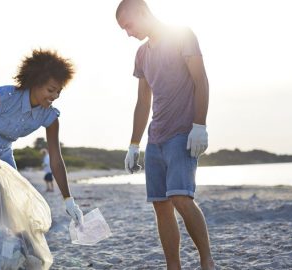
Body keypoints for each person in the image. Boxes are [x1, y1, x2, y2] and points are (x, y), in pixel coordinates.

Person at [116, 1, 215, 269]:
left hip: (182, 134)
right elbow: (143, 102)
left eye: (128, 25)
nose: (127, 32)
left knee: (181, 198)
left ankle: (207, 261)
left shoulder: (182, 35)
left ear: (143, 13)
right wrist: (134, 145)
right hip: (155, 140)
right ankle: (174, 266)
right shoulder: (141, 55)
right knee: (160, 205)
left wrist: (200, 125)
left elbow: (201, 81)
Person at [0, 49, 83, 225]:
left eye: (58, 92)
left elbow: (56, 160)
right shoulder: (3, 98)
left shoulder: (50, 117)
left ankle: (3, 246)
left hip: (3, 150)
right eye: (51, 90)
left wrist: (69, 200)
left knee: (13, 205)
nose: (54, 96)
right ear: (35, 83)